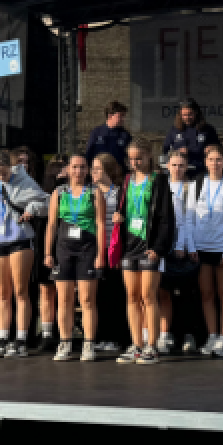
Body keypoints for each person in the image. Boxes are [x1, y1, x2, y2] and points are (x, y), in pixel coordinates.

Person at [0, 147, 48, 357]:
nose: (1, 177)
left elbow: (46, 201)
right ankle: (3, 338)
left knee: (20, 291)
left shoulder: (25, 181)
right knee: (3, 293)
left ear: (11, 167)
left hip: (20, 240)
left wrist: (31, 210)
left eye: (4, 172)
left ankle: (20, 339)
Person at [115, 139, 176, 363]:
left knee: (148, 296)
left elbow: (166, 218)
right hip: (129, 246)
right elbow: (124, 208)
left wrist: (159, 248)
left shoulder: (159, 180)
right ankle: (136, 344)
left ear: (149, 155)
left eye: (139, 158)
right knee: (132, 297)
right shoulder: (127, 180)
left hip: (150, 247)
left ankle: (152, 346)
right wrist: (118, 217)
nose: (135, 163)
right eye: (131, 159)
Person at [44, 153, 108, 361]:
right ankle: (65, 342)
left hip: (87, 249)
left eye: (83, 167)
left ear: (87, 170)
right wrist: (47, 252)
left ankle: (89, 344)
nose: (79, 171)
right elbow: (52, 224)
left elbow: (100, 224)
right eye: (75, 167)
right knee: (64, 299)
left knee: (88, 299)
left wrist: (101, 253)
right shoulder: (59, 193)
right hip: (63, 249)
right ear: (68, 170)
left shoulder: (95, 192)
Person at [187, 144, 223, 356]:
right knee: (207, 294)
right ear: (206, 162)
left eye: (219, 160)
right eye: (211, 160)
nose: (215, 163)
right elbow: (189, 218)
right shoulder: (196, 185)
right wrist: (192, 246)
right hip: (202, 248)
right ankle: (212, 335)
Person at [156, 148, 198, 354]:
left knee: (186, 294)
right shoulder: (160, 186)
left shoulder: (189, 188)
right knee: (163, 292)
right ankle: (166, 334)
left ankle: (188, 333)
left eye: (181, 165)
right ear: (167, 166)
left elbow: (187, 220)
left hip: (181, 245)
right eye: (174, 165)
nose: (177, 169)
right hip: (164, 245)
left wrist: (185, 246)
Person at [90, 151, 129, 355]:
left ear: (107, 170)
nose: (93, 172)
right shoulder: (90, 192)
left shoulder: (120, 192)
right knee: (97, 295)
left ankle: (116, 337)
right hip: (94, 249)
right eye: (93, 168)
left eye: (97, 168)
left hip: (114, 248)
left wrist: (121, 219)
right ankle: (100, 336)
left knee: (115, 294)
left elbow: (130, 216)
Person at [162, 98, 219, 178]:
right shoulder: (174, 129)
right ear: (180, 115)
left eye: (190, 114)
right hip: (179, 173)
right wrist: (177, 152)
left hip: (201, 172)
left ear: (196, 113)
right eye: (184, 115)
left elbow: (219, 150)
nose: (187, 117)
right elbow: (165, 151)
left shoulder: (208, 129)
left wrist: (212, 149)